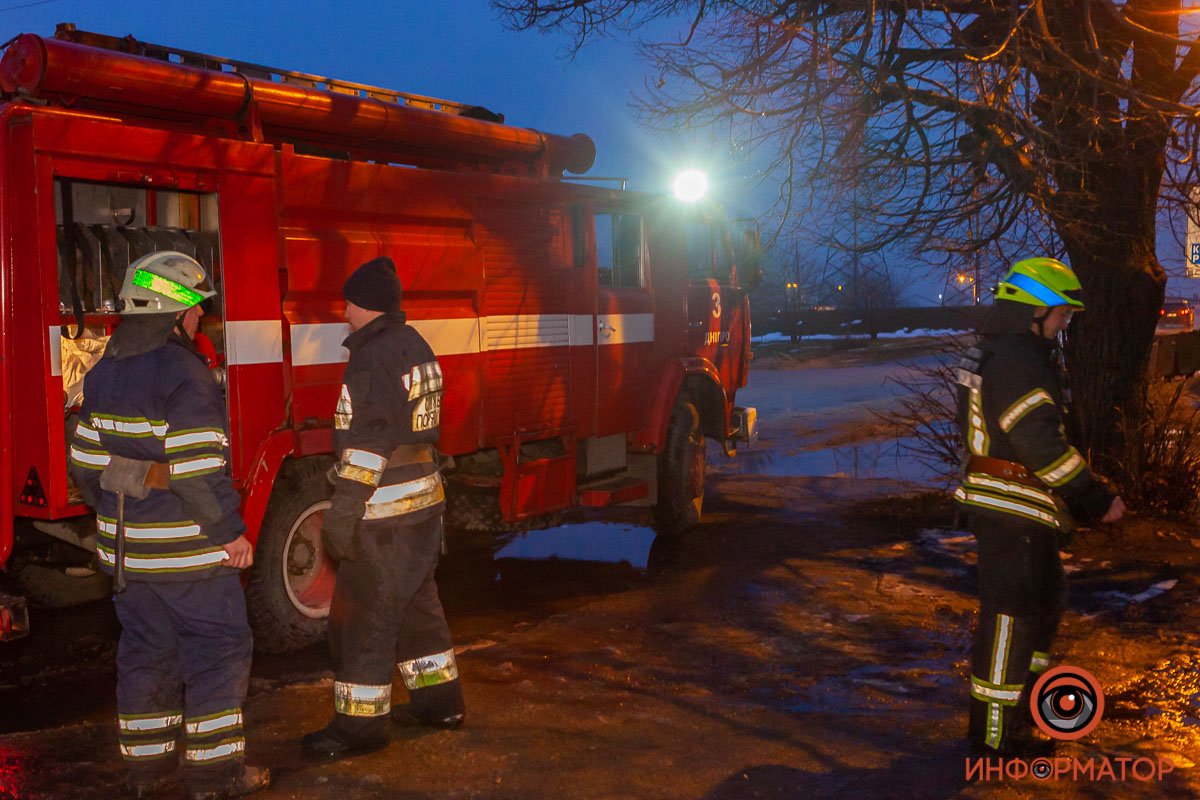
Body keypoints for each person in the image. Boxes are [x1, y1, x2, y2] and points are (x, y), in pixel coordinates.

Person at [68, 251, 270, 800]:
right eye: (194, 309)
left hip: (128, 558)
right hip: (189, 558)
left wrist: (115, 510)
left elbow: (84, 464)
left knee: (145, 653)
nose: (199, 319)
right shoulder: (185, 374)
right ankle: (215, 777)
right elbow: (199, 472)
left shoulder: (103, 370)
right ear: (172, 310)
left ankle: (147, 775)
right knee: (217, 651)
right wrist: (231, 534)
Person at [954, 257, 1126, 757]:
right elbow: (1038, 442)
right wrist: (1096, 498)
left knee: (1044, 604)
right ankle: (996, 736)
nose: (1065, 323)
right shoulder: (1018, 359)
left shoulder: (1005, 351)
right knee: (1012, 615)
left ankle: (1020, 713)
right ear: (1036, 309)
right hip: (1012, 503)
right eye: (1061, 314)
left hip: (1015, 502)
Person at [301, 256, 465, 760]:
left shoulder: (372, 357)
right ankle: (442, 704)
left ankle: (359, 728)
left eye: (348, 302)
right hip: (422, 508)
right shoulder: (414, 343)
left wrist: (345, 510)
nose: (343, 312)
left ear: (367, 305)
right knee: (419, 611)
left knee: (363, 618)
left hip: (385, 513)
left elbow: (369, 443)